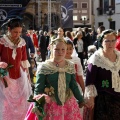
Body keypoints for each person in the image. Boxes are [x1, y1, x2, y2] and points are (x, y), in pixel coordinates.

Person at [26, 38, 86, 120]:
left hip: (68, 105)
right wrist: (37, 106)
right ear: (51, 49)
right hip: (51, 105)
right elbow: (38, 88)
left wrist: (81, 99)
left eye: (63, 49)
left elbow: (73, 85)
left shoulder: (70, 66)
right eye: (56, 49)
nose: (60, 52)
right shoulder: (44, 67)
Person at [84, 29, 120, 120]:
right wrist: (90, 99)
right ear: (101, 42)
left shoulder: (119, 56)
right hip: (102, 99)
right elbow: (89, 81)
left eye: (113, 40)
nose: (110, 43)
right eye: (107, 41)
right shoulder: (96, 58)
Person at [0, 18, 32, 120]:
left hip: (19, 76)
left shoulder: (22, 42)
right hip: (5, 77)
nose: (17, 34)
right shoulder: (2, 42)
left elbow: (24, 60)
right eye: (15, 32)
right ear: (9, 29)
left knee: (21, 101)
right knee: (6, 102)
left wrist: (28, 76)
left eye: (19, 32)